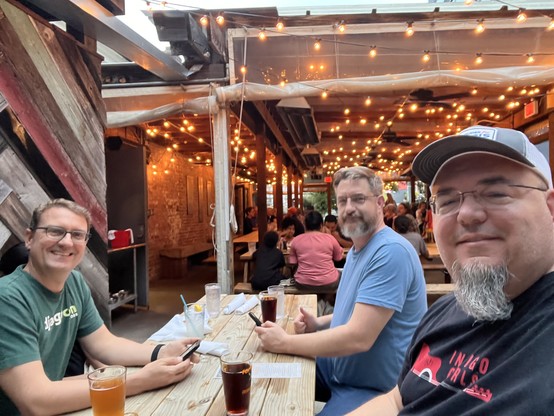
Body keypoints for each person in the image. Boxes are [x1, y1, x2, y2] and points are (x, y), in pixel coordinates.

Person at [348, 125, 554, 415]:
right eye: (447, 200)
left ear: (550, 207)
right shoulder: (444, 310)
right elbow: (398, 399)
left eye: (496, 193)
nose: (468, 214)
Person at [0, 199, 200, 415]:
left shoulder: (74, 282)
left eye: (77, 235)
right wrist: (138, 382)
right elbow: (35, 400)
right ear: (29, 238)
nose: (67, 242)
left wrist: (161, 351)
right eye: (55, 231)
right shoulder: (8, 298)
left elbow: (104, 344)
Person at [254, 167, 427, 415]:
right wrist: (319, 322)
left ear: (379, 203)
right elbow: (359, 314)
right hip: (339, 369)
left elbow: (359, 336)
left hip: (376, 390)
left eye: (358, 199)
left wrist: (286, 342)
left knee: (281, 357)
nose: (348, 208)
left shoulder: (390, 251)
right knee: (264, 376)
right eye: (342, 201)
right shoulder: (358, 249)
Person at [288, 210, 344, 290]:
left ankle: (322, 300)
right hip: (329, 282)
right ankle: (327, 301)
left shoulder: (296, 240)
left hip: (302, 283)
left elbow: (292, 262)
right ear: (321, 225)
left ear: (305, 225)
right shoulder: (330, 238)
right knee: (341, 274)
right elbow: (338, 258)